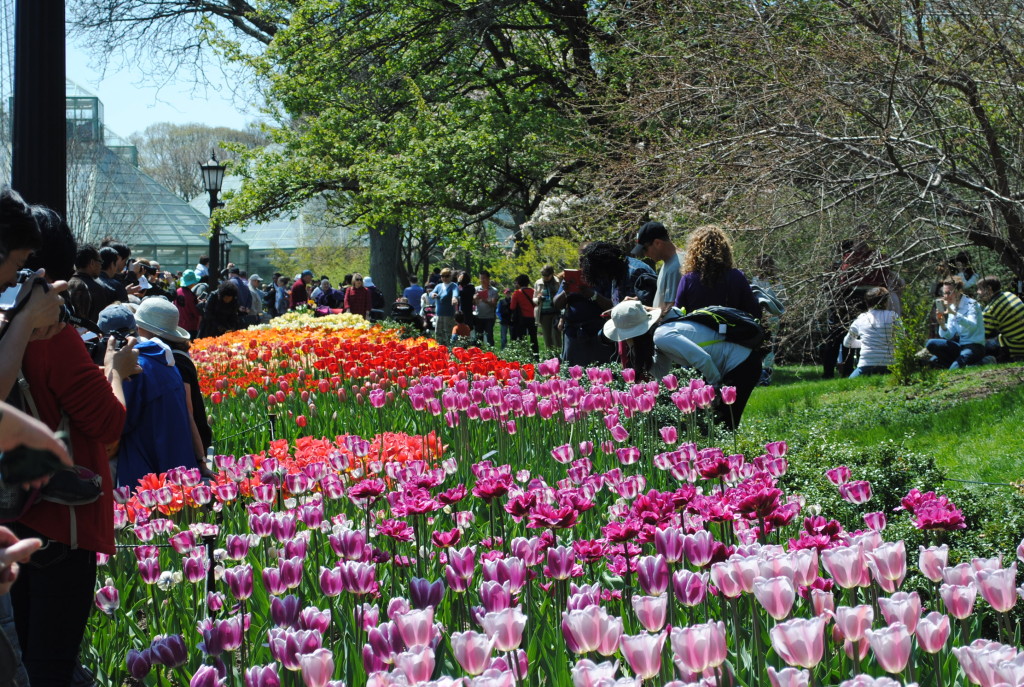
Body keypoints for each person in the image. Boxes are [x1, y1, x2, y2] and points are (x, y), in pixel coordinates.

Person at [11, 205, 138, 686]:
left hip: (14, 507)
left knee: (21, 650)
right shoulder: (53, 336)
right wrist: (115, 371)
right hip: (60, 514)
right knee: (51, 661)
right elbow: (107, 424)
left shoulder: (10, 327)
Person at [605, 300, 760, 429]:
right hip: (738, 365)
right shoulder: (660, 333)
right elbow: (661, 373)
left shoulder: (662, 336)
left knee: (724, 425)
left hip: (741, 365)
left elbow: (703, 359)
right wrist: (635, 350)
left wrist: (715, 387)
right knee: (718, 425)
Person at [112, 299, 202, 489]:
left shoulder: (138, 366)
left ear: (138, 327)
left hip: (146, 468)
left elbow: (120, 422)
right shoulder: (169, 361)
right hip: (177, 463)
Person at [580, 241, 657, 375]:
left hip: (643, 341)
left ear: (606, 264)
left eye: (601, 272)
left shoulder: (636, 271)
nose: (602, 276)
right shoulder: (617, 273)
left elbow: (648, 307)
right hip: (628, 340)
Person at [675, 225, 760, 318]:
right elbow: (754, 312)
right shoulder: (737, 277)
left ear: (693, 252)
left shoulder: (688, 279)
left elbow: (678, 313)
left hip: (696, 330)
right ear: (725, 250)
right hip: (731, 330)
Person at [554, 244, 616, 367]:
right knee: (573, 372)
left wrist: (593, 295)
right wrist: (566, 293)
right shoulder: (572, 277)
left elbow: (612, 305)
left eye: (585, 257)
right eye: (580, 257)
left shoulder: (604, 278)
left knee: (600, 372)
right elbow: (556, 304)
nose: (581, 261)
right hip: (574, 333)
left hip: (598, 333)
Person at [926, 276, 986, 369]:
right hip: (961, 346)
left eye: (949, 293)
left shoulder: (972, 304)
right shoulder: (953, 306)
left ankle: (983, 361)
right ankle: (961, 364)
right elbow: (949, 335)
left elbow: (973, 326)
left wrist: (954, 313)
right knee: (931, 344)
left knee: (953, 368)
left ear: (959, 291)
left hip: (975, 346)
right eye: (944, 293)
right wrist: (942, 324)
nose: (946, 296)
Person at [632, 221, 685, 319]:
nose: (645, 255)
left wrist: (644, 309)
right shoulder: (670, 263)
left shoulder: (676, 267)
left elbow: (673, 311)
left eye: (645, 249)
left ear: (657, 243)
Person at [843, 287, 900, 377]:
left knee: (849, 384)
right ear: (885, 302)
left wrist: (866, 343)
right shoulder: (893, 316)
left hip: (866, 366)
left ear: (867, 302)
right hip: (890, 366)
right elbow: (902, 340)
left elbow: (847, 343)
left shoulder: (861, 319)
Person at [977, 276, 1024, 362]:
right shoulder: (1009, 294)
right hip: (1021, 338)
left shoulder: (990, 309)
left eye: (980, 289)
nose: (978, 292)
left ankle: (990, 360)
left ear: (989, 289)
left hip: (1016, 346)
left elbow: (982, 334)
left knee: (978, 346)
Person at [66, 244, 109, 324]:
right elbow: (100, 321)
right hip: (89, 335)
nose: (101, 266)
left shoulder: (64, 283)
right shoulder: (96, 289)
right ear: (92, 263)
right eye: (100, 261)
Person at [533, 265, 563, 352]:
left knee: (556, 336)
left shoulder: (558, 281)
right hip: (544, 314)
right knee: (547, 338)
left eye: (547, 275)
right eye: (543, 275)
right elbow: (534, 299)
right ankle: (549, 358)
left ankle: (558, 357)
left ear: (552, 274)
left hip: (556, 312)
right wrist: (538, 299)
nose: (545, 277)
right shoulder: (538, 283)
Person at [510, 274, 539, 356]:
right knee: (534, 337)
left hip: (522, 319)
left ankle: (524, 354)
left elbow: (512, 307)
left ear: (519, 283)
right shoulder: (534, 291)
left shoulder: (517, 293)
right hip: (533, 317)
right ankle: (535, 354)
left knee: (522, 337)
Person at [174, 269, 204, 340]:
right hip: (191, 326)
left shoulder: (178, 291)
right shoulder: (191, 295)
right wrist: (199, 304)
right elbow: (195, 312)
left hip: (179, 325)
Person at [431, 268, 459, 342]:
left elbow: (455, 293)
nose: (444, 278)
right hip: (439, 315)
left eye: (446, 276)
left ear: (450, 276)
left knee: (448, 335)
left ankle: (449, 351)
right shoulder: (438, 286)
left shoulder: (453, 286)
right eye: (442, 276)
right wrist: (433, 294)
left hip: (449, 315)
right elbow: (431, 293)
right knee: (438, 335)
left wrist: (454, 298)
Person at [474, 270, 498, 346]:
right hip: (478, 317)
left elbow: (494, 304)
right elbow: (473, 303)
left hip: (489, 317)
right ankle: (478, 354)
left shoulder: (494, 290)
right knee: (478, 338)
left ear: (488, 279)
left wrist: (485, 300)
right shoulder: (476, 289)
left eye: (484, 278)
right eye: (481, 278)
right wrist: (475, 298)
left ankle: (492, 354)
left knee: (490, 337)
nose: (482, 280)